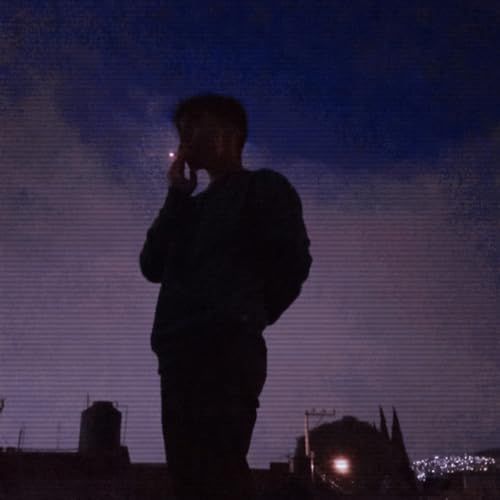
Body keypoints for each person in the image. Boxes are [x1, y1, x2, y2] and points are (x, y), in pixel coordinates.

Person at [139, 94, 312, 500]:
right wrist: (176, 195)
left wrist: (246, 316)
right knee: (187, 476)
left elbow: (293, 262)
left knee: (218, 471)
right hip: (177, 354)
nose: (185, 137)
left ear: (230, 133)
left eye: (194, 125)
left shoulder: (262, 188)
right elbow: (151, 264)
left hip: (226, 350)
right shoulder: (187, 208)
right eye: (181, 130)